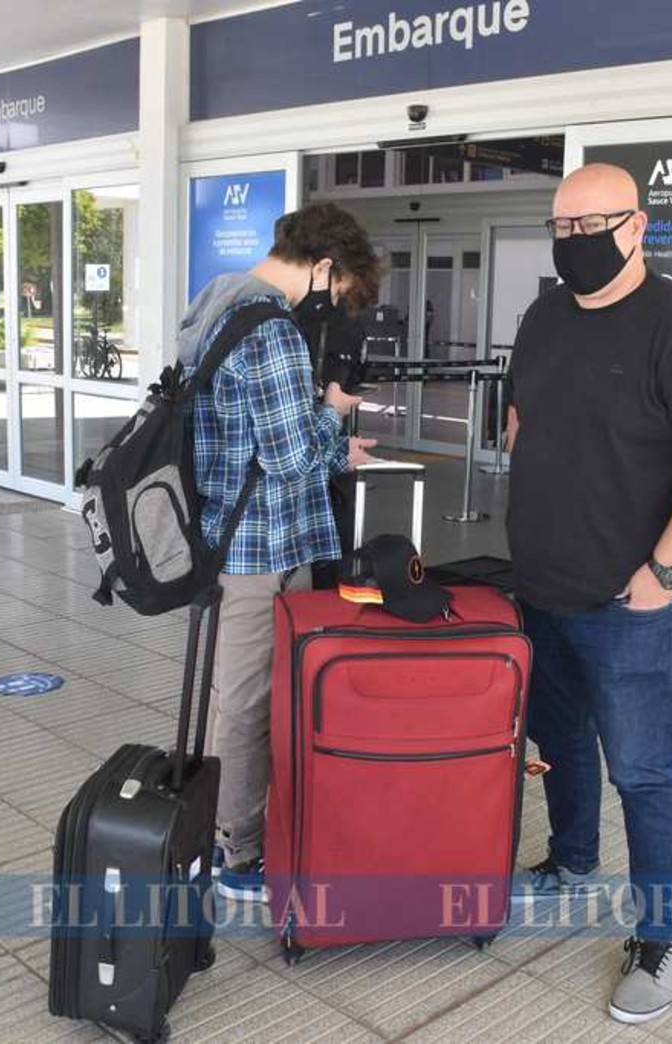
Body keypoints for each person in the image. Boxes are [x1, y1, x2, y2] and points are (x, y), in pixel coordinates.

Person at [506, 164, 672, 1024]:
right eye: (561, 228)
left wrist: (665, 573)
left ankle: (665, 937)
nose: (574, 242)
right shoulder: (542, 315)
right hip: (542, 587)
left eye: (592, 225)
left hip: (634, 601)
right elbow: (523, 417)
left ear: (637, 225)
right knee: (559, 739)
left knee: (644, 770)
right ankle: (570, 860)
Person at [177, 202, 380, 903]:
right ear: (322, 265)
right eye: (340, 288)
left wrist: (324, 438)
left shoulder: (215, 300)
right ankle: (235, 848)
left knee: (240, 690)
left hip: (229, 528)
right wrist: (334, 412)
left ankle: (220, 825)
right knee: (245, 696)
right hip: (260, 542)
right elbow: (291, 456)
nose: (333, 304)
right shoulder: (271, 328)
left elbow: (250, 433)